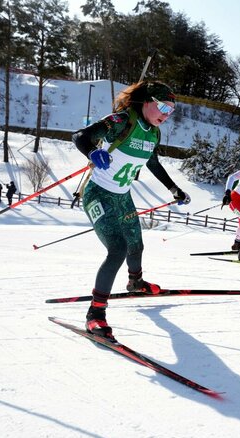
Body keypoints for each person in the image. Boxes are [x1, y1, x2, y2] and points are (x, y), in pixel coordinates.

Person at [72, 80, 190, 338]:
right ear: (146, 101)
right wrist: (93, 152)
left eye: (171, 111)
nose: (166, 114)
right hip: (98, 195)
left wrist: (173, 189)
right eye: (162, 107)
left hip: (123, 197)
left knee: (136, 244)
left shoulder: (153, 133)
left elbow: (153, 164)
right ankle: (95, 315)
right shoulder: (122, 121)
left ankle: (135, 282)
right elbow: (80, 136)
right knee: (118, 249)